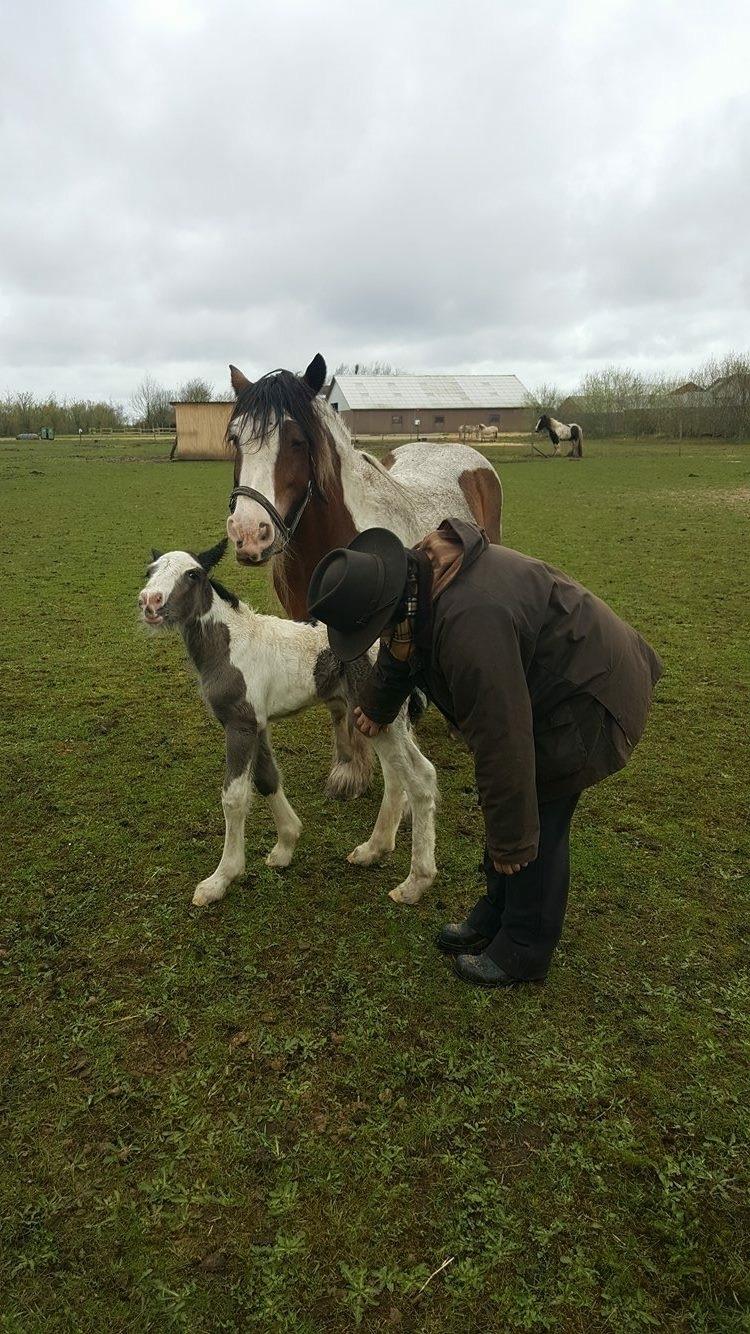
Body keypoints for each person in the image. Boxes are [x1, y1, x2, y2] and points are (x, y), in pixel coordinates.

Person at [307, 520, 662, 988]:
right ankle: (496, 913)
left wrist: (512, 840)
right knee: (515, 809)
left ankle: (524, 948)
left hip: (586, 692)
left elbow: (503, 739)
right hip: (546, 680)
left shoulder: (471, 624)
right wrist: (376, 704)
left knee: (538, 811)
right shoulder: (412, 584)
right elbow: (401, 646)